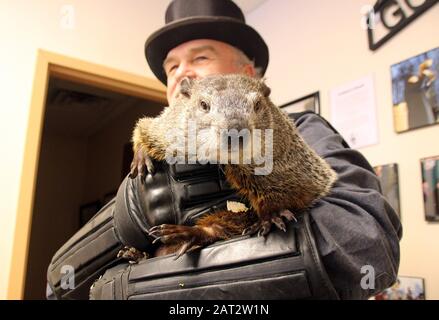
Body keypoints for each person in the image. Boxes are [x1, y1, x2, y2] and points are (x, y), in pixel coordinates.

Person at [46, 0, 401, 300]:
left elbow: (367, 242)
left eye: (200, 58)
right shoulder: (163, 136)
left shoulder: (301, 129)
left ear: (247, 73)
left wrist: (164, 288)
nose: (183, 74)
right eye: (172, 67)